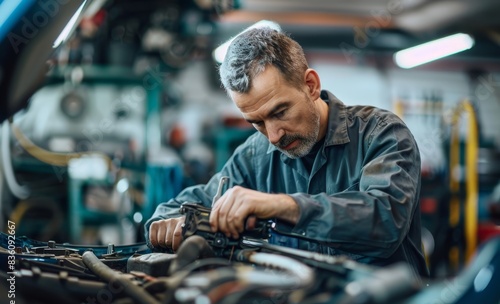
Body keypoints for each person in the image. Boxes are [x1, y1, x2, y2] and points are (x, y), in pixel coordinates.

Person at [145, 24, 429, 278]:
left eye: (280, 112)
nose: (273, 136)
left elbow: (384, 221)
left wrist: (285, 206)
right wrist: (164, 223)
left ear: (311, 85)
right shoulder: (254, 157)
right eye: (256, 122)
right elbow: (189, 203)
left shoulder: (381, 134)